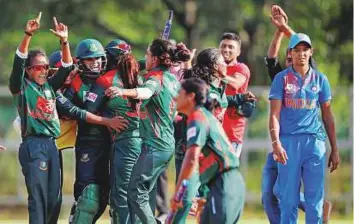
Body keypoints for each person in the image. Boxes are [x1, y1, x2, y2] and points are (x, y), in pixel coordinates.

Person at [105, 38, 191, 223]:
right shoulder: (172, 79)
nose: (145, 57)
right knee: (141, 193)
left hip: (156, 145)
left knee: (136, 193)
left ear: (156, 58)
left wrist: (123, 92)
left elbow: (146, 92)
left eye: (148, 54)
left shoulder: (156, 78)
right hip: (163, 145)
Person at [262, 5, 331, 224]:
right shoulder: (280, 77)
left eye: (305, 50)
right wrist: (280, 30)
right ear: (289, 54)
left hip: (313, 142)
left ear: (310, 53)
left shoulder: (319, 77)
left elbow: (328, 114)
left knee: (314, 201)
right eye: (295, 51)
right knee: (281, 197)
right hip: (285, 143)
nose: (300, 55)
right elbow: (272, 55)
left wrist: (334, 147)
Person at [8, 13, 73, 223]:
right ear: (28, 70)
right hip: (33, 145)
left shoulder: (49, 87)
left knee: (54, 200)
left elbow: (67, 66)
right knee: (38, 199)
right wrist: (28, 35)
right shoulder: (22, 87)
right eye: (38, 67)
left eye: (45, 66)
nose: (44, 70)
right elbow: (18, 61)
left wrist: (64, 41)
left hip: (51, 146)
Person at [170, 77, 245, 224]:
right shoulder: (202, 116)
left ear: (190, 97)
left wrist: (178, 194)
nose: (175, 96)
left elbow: (191, 158)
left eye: (180, 92)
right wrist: (204, 196)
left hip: (225, 183)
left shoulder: (197, 117)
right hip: (216, 183)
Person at [84, 39, 141, 224]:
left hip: (123, 142)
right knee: (141, 194)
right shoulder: (140, 79)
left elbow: (88, 109)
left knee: (120, 195)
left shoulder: (106, 79)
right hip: (147, 142)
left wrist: (108, 118)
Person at [62, 38, 113, 224]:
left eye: (98, 58)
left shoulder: (110, 78)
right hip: (88, 144)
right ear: (81, 62)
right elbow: (64, 107)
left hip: (111, 144)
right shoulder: (75, 83)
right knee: (88, 196)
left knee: (108, 197)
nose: (96, 62)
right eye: (90, 59)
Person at [219, 32, 252, 158]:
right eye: (223, 46)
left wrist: (220, 75)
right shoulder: (213, 68)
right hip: (212, 130)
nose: (226, 49)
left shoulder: (241, 68)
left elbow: (236, 83)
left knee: (226, 173)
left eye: (231, 47)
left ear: (238, 52)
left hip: (232, 133)